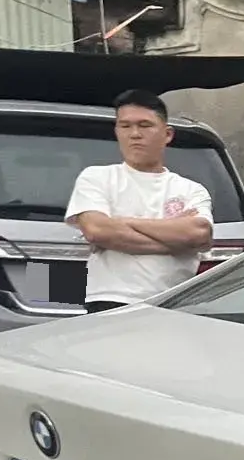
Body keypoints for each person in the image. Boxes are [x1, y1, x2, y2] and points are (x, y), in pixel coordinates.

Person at [66, 90, 215, 313]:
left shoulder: (191, 189)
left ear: (167, 134)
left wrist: (121, 222)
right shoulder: (96, 177)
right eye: (125, 126)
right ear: (117, 131)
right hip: (111, 299)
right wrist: (176, 242)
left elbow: (198, 234)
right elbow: (97, 231)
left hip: (175, 302)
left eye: (145, 125)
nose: (135, 134)